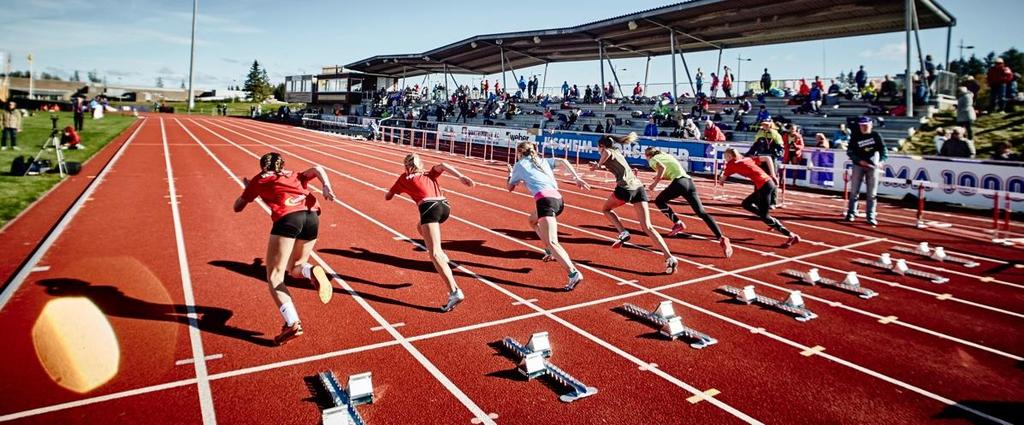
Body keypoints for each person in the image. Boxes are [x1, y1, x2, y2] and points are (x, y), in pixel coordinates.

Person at [234, 153, 335, 345]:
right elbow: (317, 168)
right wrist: (326, 186)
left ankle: (292, 322)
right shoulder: (294, 174)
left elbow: (237, 207)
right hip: (312, 215)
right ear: (282, 165)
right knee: (296, 268)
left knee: (275, 277)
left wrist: (248, 191)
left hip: (288, 218)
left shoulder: (260, 179)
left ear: (263, 167)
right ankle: (311, 270)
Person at [385, 153, 475, 311]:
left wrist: (392, 192)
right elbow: (443, 164)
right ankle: (440, 252)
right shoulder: (429, 173)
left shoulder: (403, 178)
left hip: (429, 208)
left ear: (406, 166)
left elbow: (388, 197)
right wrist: (461, 177)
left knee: (434, 254)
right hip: (444, 206)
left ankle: (454, 291)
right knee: (420, 227)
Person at [507, 142, 591, 290]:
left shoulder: (519, 165)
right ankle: (548, 249)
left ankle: (573, 273)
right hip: (558, 200)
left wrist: (509, 175)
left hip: (545, 201)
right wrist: (576, 177)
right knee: (532, 221)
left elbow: (510, 188)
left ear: (519, 153)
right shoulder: (543, 160)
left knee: (554, 242)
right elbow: (564, 161)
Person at [592, 132, 679, 274]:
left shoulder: (607, 151)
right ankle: (669, 257)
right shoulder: (617, 151)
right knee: (648, 227)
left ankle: (623, 232)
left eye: (598, 147)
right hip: (639, 188)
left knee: (606, 209)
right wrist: (600, 165)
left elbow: (606, 153)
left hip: (625, 189)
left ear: (601, 146)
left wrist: (597, 165)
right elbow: (611, 157)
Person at [645, 147, 732, 257]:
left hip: (679, 183)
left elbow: (662, 168)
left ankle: (678, 223)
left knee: (659, 201)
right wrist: (660, 177)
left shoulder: (653, 159)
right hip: (689, 182)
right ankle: (721, 237)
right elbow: (672, 172)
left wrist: (655, 183)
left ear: (647, 155)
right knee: (701, 212)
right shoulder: (667, 156)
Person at [719, 148, 800, 247]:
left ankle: (792, 235)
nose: (725, 159)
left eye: (725, 157)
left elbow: (722, 179)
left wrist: (721, 180)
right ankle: (770, 220)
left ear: (729, 156)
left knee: (764, 216)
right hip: (768, 183)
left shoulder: (731, 164)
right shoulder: (747, 159)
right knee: (746, 204)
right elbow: (767, 158)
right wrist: (773, 175)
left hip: (764, 187)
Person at [844, 117, 887, 226]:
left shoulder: (876, 136)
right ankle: (851, 213)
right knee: (854, 191)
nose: (864, 127)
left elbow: (883, 150)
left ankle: (870, 216)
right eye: (862, 125)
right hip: (858, 166)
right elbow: (850, 152)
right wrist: (859, 161)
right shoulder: (855, 136)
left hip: (873, 167)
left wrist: (881, 161)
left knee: (872, 193)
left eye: (866, 125)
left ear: (871, 124)